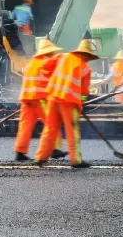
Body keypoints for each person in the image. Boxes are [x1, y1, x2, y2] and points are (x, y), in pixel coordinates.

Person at [35, 39, 102, 168]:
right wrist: (80, 104)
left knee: (50, 129)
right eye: (89, 56)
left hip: (53, 97)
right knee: (72, 131)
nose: (88, 59)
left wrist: (51, 82)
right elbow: (84, 92)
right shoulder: (85, 69)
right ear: (86, 54)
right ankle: (76, 160)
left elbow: (44, 67)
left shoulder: (62, 56)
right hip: (69, 102)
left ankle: (40, 157)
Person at [14, 38, 63, 161]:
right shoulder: (47, 62)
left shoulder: (32, 63)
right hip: (39, 98)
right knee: (52, 122)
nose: (53, 54)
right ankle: (54, 149)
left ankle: (20, 152)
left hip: (26, 98)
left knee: (25, 126)